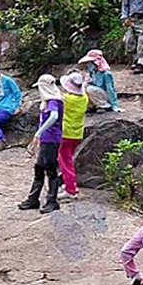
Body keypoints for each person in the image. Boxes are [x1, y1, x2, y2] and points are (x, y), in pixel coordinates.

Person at [19, 74, 65, 213]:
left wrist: (39, 132)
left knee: (50, 170)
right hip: (46, 139)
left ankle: (52, 201)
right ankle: (33, 198)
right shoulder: (49, 101)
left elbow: (54, 116)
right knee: (39, 167)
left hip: (51, 139)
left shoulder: (53, 102)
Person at [57, 71, 89, 201]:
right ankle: (70, 184)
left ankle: (71, 190)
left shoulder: (67, 99)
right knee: (68, 159)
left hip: (66, 133)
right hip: (77, 133)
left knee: (65, 162)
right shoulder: (84, 98)